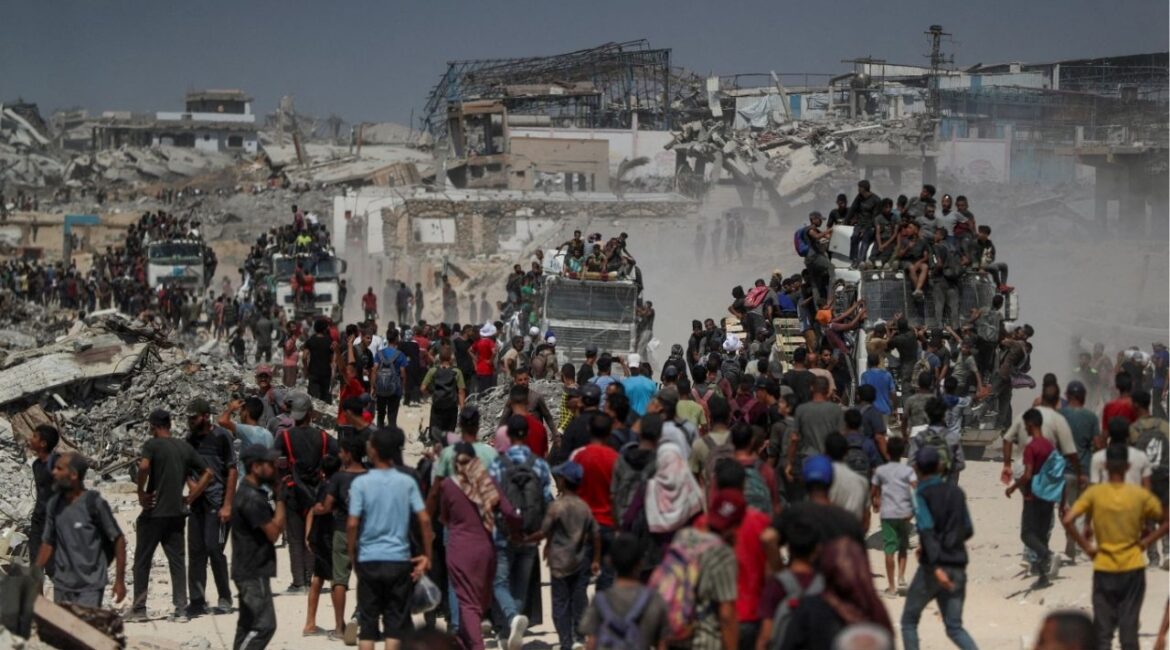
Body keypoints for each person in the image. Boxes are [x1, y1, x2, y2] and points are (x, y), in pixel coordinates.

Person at [1063, 444, 1168, 650]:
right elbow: (1166, 521)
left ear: (1104, 465)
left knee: (1103, 635)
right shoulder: (1139, 495)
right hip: (1133, 567)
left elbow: (1068, 520)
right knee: (1129, 634)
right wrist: (1146, 542)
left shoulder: (1095, 493)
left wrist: (1087, 547)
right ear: (1128, 466)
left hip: (1104, 567)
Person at [347, 427, 434, 650]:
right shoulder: (407, 482)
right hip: (399, 559)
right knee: (394, 626)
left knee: (368, 625)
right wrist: (427, 555)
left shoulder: (360, 483)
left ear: (374, 451)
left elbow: (353, 523)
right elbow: (424, 520)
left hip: (368, 558)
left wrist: (352, 553)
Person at [130, 409, 213, 622]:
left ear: (153, 426)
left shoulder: (152, 445)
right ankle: (181, 609)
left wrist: (141, 492)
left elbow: (144, 466)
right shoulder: (184, 447)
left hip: (154, 512)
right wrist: (191, 497)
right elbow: (208, 473)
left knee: (142, 561)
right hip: (177, 512)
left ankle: (139, 609)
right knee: (177, 561)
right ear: (170, 424)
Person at [435, 442, 519, 650]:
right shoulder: (487, 482)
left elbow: (444, 517)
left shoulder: (449, 485)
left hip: (459, 550)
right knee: (480, 601)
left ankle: (476, 645)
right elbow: (510, 512)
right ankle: (465, 642)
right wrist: (516, 533)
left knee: (467, 603)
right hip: (486, 550)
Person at [900, 447, 977, 650]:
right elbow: (968, 529)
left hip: (933, 569)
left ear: (916, 468)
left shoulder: (921, 493)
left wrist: (935, 565)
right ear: (939, 466)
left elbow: (926, 530)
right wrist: (950, 544)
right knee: (954, 628)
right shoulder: (957, 492)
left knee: (909, 621)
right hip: (958, 564)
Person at [488, 416, 554, 650]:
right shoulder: (539, 465)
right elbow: (547, 499)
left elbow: (490, 498)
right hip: (530, 533)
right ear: (526, 434)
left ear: (508, 435)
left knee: (499, 583)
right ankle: (511, 629)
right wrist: (543, 532)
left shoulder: (498, 463)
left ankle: (510, 621)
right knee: (521, 585)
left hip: (504, 533)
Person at [35, 453, 127, 607]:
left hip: (90, 586)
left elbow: (118, 539)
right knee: (62, 623)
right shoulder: (54, 505)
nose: (54, 472)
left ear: (73, 475)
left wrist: (119, 580)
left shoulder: (94, 504)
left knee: (83, 622)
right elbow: (47, 543)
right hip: (62, 585)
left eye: (59, 469)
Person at [526, 461, 601, 650]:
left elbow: (545, 531)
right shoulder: (583, 506)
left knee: (560, 604)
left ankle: (566, 642)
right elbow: (595, 534)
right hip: (580, 561)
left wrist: (524, 539)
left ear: (564, 482)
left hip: (559, 563)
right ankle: (579, 637)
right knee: (578, 599)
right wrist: (596, 559)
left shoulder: (556, 506)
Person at [652, 490, 741, 649]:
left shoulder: (684, 535)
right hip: (704, 640)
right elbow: (726, 614)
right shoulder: (722, 554)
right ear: (735, 526)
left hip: (675, 636)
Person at [273, 393, 338, 593]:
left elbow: (272, 461)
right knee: (313, 536)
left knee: (295, 538)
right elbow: (340, 456)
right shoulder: (323, 437)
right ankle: (311, 579)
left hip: (293, 491)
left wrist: (280, 482)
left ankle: (298, 582)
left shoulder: (284, 437)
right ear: (310, 413)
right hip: (316, 493)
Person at [184, 398, 238, 617]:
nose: (190, 422)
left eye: (194, 418)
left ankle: (225, 597)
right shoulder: (189, 439)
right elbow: (187, 469)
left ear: (206, 417)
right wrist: (192, 486)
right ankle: (197, 600)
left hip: (218, 503)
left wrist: (228, 505)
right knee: (195, 551)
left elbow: (232, 471)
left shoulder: (222, 437)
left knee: (214, 549)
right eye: (189, 418)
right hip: (197, 505)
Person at [232, 444, 286, 650]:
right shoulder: (252, 498)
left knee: (247, 625)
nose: (274, 468)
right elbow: (273, 533)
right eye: (269, 464)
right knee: (264, 626)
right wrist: (280, 497)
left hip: (249, 569)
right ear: (256, 467)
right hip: (253, 571)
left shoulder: (251, 493)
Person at [580, 531, 670, 650]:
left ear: (610, 562)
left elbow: (591, 643)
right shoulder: (654, 600)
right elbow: (662, 644)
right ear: (640, 563)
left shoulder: (600, 600)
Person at [1004, 409, 1059, 587]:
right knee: (1041, 534)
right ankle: (1042, 575)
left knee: (1027, 534)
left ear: (1031, 424)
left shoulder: (1031, 447)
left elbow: (1027, 475)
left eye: (1026, 426)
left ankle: (1049, 555)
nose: (1025, 429)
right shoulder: (1049, 446)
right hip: (1048, 495)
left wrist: (1013, 487)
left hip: (1032, 496)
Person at [568, 413, 619, 592]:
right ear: (609, 432)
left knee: (580, 580)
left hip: (583, 525)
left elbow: (569, 489)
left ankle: (580, 610)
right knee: (607, 579)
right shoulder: (615, 458)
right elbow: (617, 493)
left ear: (589, 429)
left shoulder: (578, 456)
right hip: (608, 523)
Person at [871, 437, 916, 598]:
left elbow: (874, 490)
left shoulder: (880, 470)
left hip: (888, 513)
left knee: (889, 548)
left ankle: (891, 587)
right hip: (904, 513)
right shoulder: (908, 471)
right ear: (902, 452)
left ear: (888, 452)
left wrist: (875, 502)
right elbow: (916, 488)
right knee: (903, 545)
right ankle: (901, 577)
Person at [1130, 390, 1170, 567]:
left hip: (1144, 479)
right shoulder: (1164, 425)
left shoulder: (1134, 428)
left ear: (1136, 405)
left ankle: (1153, 557)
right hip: (1164, 474)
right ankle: (1168, 552)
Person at [786, 377, 843, 500]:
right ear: (828, 390)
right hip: (829, 461)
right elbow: (841, 437)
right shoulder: (836, 410)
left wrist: (790, 462)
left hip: (807, 459)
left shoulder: (801, 409)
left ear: (811, 388)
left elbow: (794, 438)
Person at [26, 423, 60, 584]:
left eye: (34, 436)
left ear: (43, 443)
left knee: (54, 568)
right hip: (38, 520)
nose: (30, 439)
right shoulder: (36, 465)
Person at [219, 397, 275, 478]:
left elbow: (222, 421)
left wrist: (231, 408)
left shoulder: (247, 430)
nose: (239, 414)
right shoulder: (268, 434)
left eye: (241, 411)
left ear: (246, 412)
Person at [422, 347, 466, 438]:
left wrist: (431, 394)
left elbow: (422, 388)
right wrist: (462, 407)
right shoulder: (457, 372)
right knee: (449, 433)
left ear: (439, 358)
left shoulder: (433, 371)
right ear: (451, 358)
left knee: (436, 433)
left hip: (437, 405)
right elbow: (461, 391)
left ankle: (436, 445)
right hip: (451, 406)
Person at [371, 329, 408, 428]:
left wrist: (373, 386)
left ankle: (379, 433)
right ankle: (391, 434)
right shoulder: (400, 355)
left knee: (380, 414)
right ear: (396, 339)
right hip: (395, 389)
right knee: (392, 415)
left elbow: (374, 370)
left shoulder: (379, 354)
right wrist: (403, 388)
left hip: (381, 388)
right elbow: (403, 373)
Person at [303, 319, 336, 404]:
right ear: (325, 329)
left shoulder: (310, 340)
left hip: (313, 372)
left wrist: (306, 369)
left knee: (313, 399)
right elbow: (333, 359)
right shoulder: (329, 340)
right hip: (326, 373)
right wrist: (333, 373)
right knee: (324, 399)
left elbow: (304, 357)